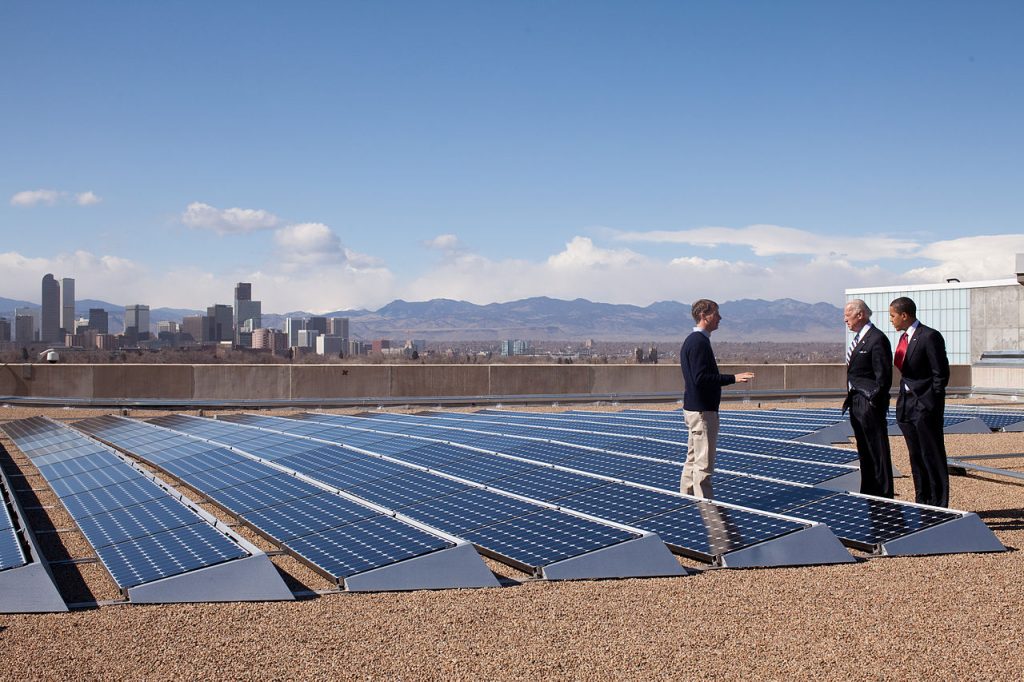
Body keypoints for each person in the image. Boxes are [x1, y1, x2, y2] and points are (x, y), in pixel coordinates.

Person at [679, 299, 754, 498]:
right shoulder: (698, 343)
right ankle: (706, 510)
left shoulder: (694, 340)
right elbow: (701, 378)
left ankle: (685, 503)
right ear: (704, 316)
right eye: (716, 313)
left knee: (693, 460)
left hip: (695, 408)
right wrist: (733, 378)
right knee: (703, 465)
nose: (720, 318)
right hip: (703, 412)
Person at [889, 296, 951, 507]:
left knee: (931, 454)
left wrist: (930, 403)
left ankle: (939, 504)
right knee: (916, 456)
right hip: (907, 406)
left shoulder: (929, 336)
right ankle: (922, 500)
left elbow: (940, 374)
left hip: (925, 406)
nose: (891, 320)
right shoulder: (903, 338)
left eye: (893, 316)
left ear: (904, 315)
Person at [842, 299, 894, 498]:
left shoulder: (876, 339)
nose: (845, 320)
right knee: (864, 449)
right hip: (856, 402)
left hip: (869, 403)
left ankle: (883, 493)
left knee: (877, 449)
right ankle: (870, 490)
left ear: (860, 314)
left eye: (848, 315)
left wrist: (873, 401)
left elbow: (883, 376)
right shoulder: (860, 339)